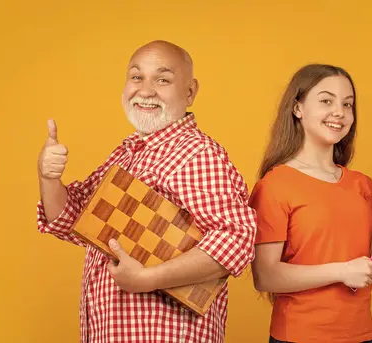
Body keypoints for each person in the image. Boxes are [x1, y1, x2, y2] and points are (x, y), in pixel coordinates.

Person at [36, 40, 257, 343]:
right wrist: (48, 176)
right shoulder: (126, 155)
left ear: (190, 92)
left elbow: (236, 239)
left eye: (163, 79)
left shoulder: (196, 153)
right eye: (137, 77)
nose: (146, 89)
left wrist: (148, 278)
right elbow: (73, 220)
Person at [248, 64, 372, 343]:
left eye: (347, 104)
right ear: (297, 108)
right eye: (326, 100)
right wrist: (342, 271)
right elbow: (265, 276)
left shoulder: (362, 184)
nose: (339, 112)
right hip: (299, 337)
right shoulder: (274, 186)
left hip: (361, 335)